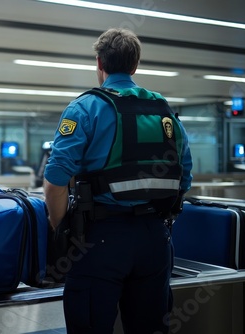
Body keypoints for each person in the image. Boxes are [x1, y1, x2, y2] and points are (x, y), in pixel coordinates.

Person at [43, 28, 193, 334]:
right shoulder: (164, 111)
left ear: (99, 63)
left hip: (98, 241)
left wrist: (62, 229)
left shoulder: (85, 107)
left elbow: (55, 181)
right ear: (135, 65)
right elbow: (185, 177)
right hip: (155, 240)